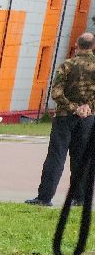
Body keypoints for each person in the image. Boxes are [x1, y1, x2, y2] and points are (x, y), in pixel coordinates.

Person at [27, 32, 95, 207]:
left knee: (56, 157)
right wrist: (87, 107)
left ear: (76, 45)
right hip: (88, 119)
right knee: (82, 157)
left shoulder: (67, 65)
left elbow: (56, 93)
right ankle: (80, 197)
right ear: (93, 46)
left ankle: (45, 196)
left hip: (65, 118)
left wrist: (74, 108)